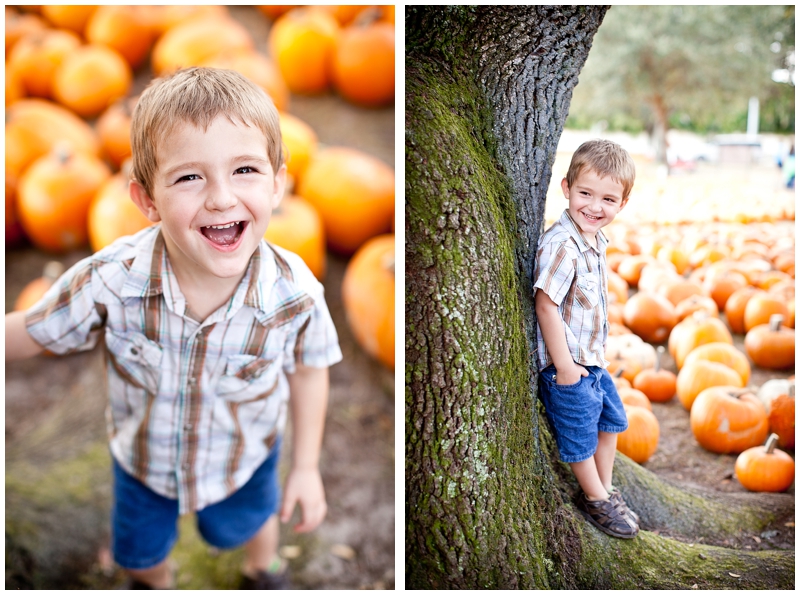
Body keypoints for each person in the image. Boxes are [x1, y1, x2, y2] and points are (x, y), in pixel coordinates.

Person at [5, 67, 343, 588]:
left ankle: (263, 569)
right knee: (138, 554)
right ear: (145, 200)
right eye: (190, 177)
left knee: (253, 524)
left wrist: (305, 466)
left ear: (279, 183)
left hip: (245, 454)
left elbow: (311, 368)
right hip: (144, 462)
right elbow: (32, 330)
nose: (222, 198)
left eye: (245, 171)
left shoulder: (293, 292)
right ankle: (153, 582)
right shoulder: (113, 279)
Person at [532, 139, 639, 539]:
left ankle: (605, 489)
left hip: (593, 362)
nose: (595, 206)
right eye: (586, 194)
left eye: (608, 199)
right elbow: (545, 305)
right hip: (569, 366)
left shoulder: (594, 240)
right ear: (566, 188)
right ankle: (595, 498)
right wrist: (565, 368)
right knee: (579, 438)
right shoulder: (563, 245)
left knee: (611, 422)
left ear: (622, 204)